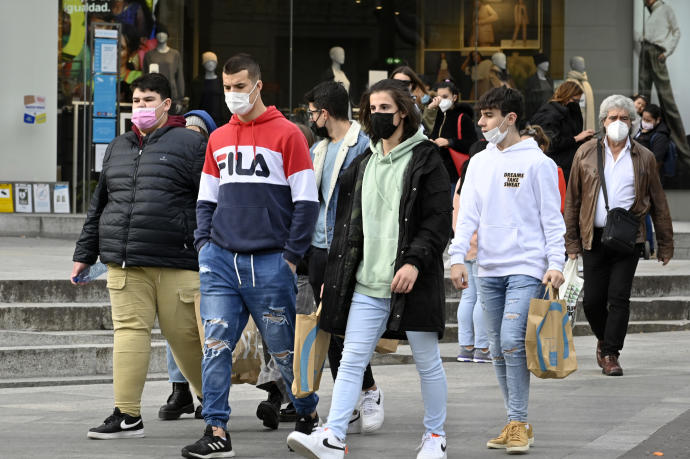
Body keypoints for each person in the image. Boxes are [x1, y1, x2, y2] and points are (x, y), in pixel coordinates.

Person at [287, 79, 451, 459]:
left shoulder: (426, 158)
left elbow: (438, 219)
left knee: (427, 362)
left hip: (413, 281)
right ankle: (333, 435)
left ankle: (434, 437)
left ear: (404, 112)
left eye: (385, 109)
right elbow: (347, 227)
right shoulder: (364, 163)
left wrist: (414, 261)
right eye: (372, 109)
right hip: (366, 283)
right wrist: (334, 279)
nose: (377, 116)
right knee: (350, 361)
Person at [181, 54, 320, 458]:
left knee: (283, 350)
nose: (232, 95)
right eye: (227, 87)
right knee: (216, 345)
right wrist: (205, 247)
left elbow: (306, 202)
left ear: (258, 86)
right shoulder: (218, 137)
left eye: (240, 87)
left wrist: (291, 258)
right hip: (221, 261)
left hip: (270, 263)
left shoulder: (289, 135)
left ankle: (308, 415)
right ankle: (217, 430)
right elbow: (206, 199)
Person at [72, 73, 206, 439]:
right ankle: (127, 414)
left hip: (176, 259)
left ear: (167, 104)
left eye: (149, 100)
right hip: (125, 259)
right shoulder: (117, 146)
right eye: (136, 101)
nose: (141, 108)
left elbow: (210, 201)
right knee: (128, 333)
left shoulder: (192, 144)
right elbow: (99, 204)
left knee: (185, 339)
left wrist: (207, 247)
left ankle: (211, 400)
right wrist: (85, 253)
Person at [449, 86, 566, 454]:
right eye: (481, 116)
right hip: (488, 268)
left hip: (527, 267)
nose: (481, 123)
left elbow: (552, 219)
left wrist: (556, 263)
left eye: (489, 116)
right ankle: (516, 421)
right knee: (497, 346)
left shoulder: (539, 164)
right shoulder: (479, 162)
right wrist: (456, 257)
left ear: (511, 118)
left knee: (513, 340)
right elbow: (467, 214)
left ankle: (518, 422)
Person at [564, 94, 674, 376]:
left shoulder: (644, 157)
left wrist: (665, 243)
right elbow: (573, 200)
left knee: (619, 297)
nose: (618, 122)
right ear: (603, 122)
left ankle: (611, 353)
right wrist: (572, 242)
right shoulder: (585, 153)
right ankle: (604, 339)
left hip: (629, 238)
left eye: (624, 118)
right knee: (592, 301)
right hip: (593, 236)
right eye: (613, 118)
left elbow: (658, 202)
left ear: (633, 122)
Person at [305, 80, 386, 433]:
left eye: (311, 112)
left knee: (348, 328)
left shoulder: (363, 146)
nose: (310, 118)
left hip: (352, 249)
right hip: (321, 248)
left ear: (325, 112)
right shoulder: (319, 148)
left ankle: (368, 391)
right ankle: (349, 399)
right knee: (331, 325)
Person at [158, 109, 218, 422]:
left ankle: (207, 392)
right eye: (187, 132)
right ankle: (180, 389)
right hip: (178, 253)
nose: (191, 139)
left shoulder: (213, 166)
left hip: (208, 252)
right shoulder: (169, 164)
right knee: (175, 324)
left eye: (198, 134)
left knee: (206, 328)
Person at [638, 0, 690, 170]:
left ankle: (685, 154)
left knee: (668, 103)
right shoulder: (651, 12)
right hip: (645, 49)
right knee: (641, 99)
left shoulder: (665, 9)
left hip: (655, 51)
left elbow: (676, 32)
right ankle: (639, 147)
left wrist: (666, 50)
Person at [452, 164, 490, 364]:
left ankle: (466, 346)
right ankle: (483, 348)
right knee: (482, 299)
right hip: (479, 247)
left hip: (463, 245)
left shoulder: (460, 184)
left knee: (468, 297)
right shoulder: (481, 182)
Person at [530, 81, 595, 182]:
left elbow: (570, 135)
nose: (577, 103)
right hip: (557, 167)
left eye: (579, 101)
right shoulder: (549, 113)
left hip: (568, 165)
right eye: (575, 100)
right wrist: (577, 138)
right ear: (566, 96)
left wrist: (581, 139)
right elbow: (550, 143)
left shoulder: (571, 110)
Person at [427, 79, 478, 186]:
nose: (441, 100)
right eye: (438, 97)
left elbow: (473, 145)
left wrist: (449, 142)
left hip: (454, 174)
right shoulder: (435, 115)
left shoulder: (463, 118)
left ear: (454, 97)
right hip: (434, 173)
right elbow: (425, 132)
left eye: (445, 97)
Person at [391, 65, 436, 133]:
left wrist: (430, 109)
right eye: (396, 82)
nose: (400, 86)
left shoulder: (413, 104)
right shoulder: (382, 101)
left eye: (405, 83)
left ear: (412, 85)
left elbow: (424, 130)